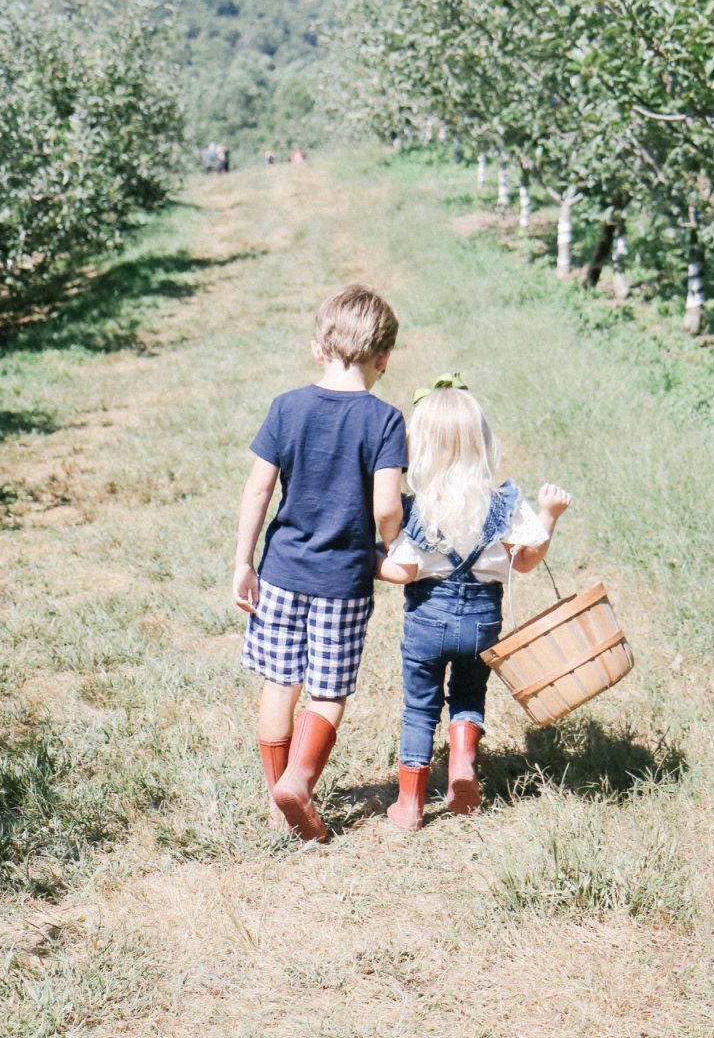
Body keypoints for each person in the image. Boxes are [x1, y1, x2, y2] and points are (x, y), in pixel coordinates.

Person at [232, 285, 406, 841]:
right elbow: (386, 506)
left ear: (317, 348)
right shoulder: (385, 420)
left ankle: (273, 796)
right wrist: (396, 547)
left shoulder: (287, 407)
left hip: (281, 572)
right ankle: (299, 783)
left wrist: (244, 563)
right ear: (384, 358)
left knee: (279, 683)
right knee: (328, 690)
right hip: (344, 582)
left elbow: (258, 491)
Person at [378, 378, 571, 830]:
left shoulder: (417, 507)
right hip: (483, 620)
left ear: (420, 448)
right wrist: (548, 516)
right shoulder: (503, 501)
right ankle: (462, 766)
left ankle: (409, 805)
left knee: (420, 706)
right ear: (480, 441)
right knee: (468, 693)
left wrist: (368, 562)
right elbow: (524, 562)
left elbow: (402, 571)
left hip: (428, 619)